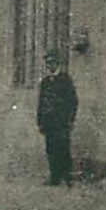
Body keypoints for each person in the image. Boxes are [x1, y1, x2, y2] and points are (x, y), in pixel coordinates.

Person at [36, 51, 78, 185]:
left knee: (63, 148)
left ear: (57, 63)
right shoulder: (45, 82)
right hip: (49, 121)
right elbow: (41, 103)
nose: (50, 66)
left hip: (62, 121)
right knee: (51, 149)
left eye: (52, 62)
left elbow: (73, 101)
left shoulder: (65, 80)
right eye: (47, 63)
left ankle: (66, 176)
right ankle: (54, 176)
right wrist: (40, 121)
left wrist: (70, 119)